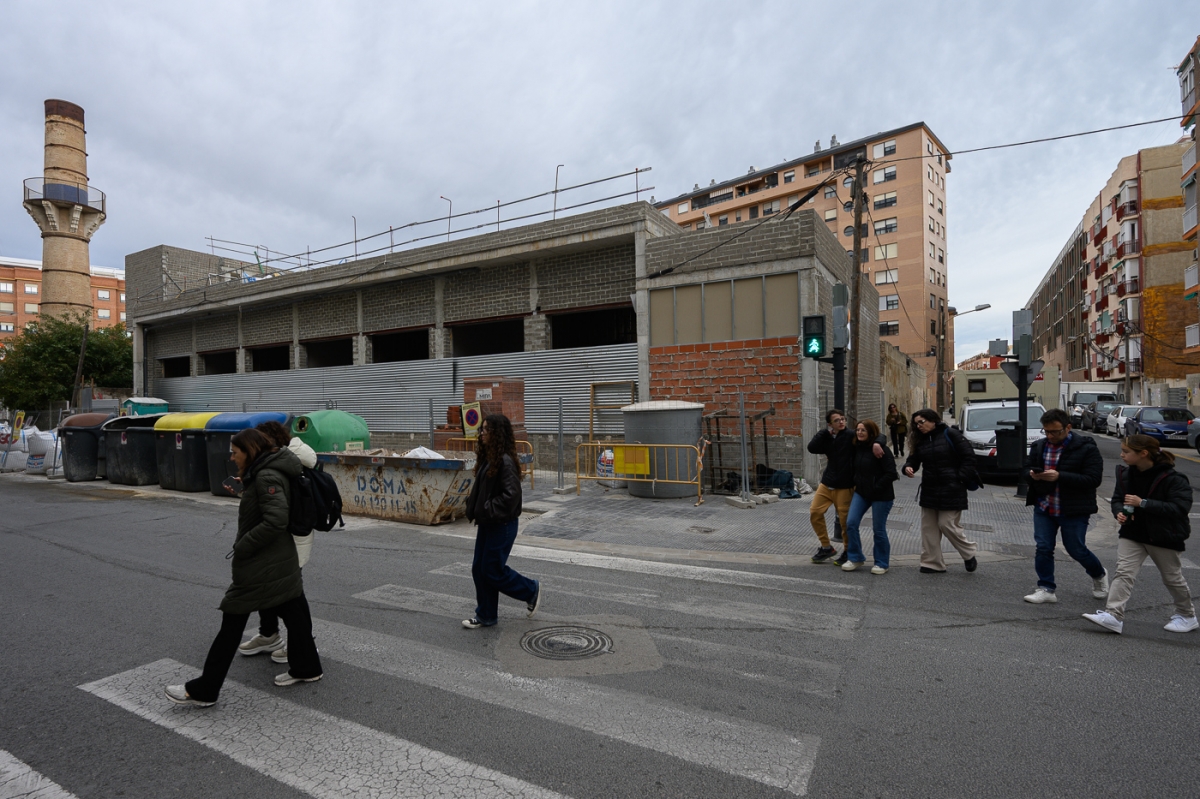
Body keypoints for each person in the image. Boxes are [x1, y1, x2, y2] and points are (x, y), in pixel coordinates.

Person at [165, 428, 323, 706]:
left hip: (264, 562)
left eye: (235, 452)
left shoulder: (266, 476)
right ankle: (307, 667)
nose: (231, 456)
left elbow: (275, 520)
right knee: (295, 612)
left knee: (232, 622)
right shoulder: (263, 473)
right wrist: (246, 493)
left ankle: (205, 689)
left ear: (249, 451)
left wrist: (244, 545)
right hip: (278, 560)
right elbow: (267, 509)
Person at [1083, 435, 1196, 634]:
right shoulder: (1127, 475)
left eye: (1126, 452)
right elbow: (1119, 499)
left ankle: (1187, 615)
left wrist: (1142, 503)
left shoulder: (1173, 478)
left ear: (1143, 454)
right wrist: (1118, 511)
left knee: (1172, 578)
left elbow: (1179, 507)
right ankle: (1113, 615)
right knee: (1124, 572)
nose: (1121, 455)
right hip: (1133, 533)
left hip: (1163, 535)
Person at [237, 421, 319, 665]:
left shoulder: (285, 459)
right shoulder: (275, 460)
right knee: (269, 585)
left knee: (291, 592)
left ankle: (302, 643)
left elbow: (277, 509)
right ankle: (268, 634)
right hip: (282, 534)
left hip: (291, 533)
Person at [462, 414, 541, 629]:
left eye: (487, 430)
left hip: (502, 525)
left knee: (492, 570)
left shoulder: (505, 460)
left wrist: (485, 508)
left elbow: (511, 496)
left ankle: (530, 590)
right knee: (480, 569)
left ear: (497, 433)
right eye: (482, 429)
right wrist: (474, 503)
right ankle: (486, 615)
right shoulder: (491, 457)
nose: (482, 433)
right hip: (490, 523)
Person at [1021, 408, 1108, 604]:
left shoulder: (1086, 447)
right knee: (1043, 547)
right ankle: (1046, 588)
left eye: (1055, 432)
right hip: (1044, 506)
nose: (1050, 436)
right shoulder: (1039, 446)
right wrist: (1032, 475)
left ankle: (1099, 574)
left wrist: (1060, 476)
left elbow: (1093, 479)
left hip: (1073, 508)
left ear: (1068, 427)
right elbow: (1025, 469)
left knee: (1076, 549)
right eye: (1047, 431)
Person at [903, 408, 980, 574]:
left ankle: (968, 553)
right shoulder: (920, 441)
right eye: (916, 424)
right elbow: (913, 459)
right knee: (929, 528)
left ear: (933, 420)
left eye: (922, 422)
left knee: (947, 524)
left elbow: (969, 457)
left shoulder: (950, 434)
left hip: (952, 488)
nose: (919, 427)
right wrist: (908, 467)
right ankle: (932, 563)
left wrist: (960, 478)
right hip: (929, 488)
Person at [807, 409, 884, 565]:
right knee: (815, 512)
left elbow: (876, 435)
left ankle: (849, 551)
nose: (841, 422)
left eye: (842, 419)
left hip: (845, 486)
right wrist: (824, 433)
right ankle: (826, 547)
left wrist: (877, 443)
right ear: (830, 424)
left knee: (845, 521)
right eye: (837, 420)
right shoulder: (827, 437)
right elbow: (812, 448)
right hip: (827, 483)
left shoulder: (851, 435)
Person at [841, 420, 898, 574]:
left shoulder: (881, 449)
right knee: (851, 523)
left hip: (881, 495)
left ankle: (881, 563)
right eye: (858, 430)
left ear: (871, 433)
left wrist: (876, 487)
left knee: (878, 529)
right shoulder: (856, 447)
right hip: (861, 493)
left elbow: (892, 473)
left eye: (863, 430)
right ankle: (855, 557)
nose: (859, 433)